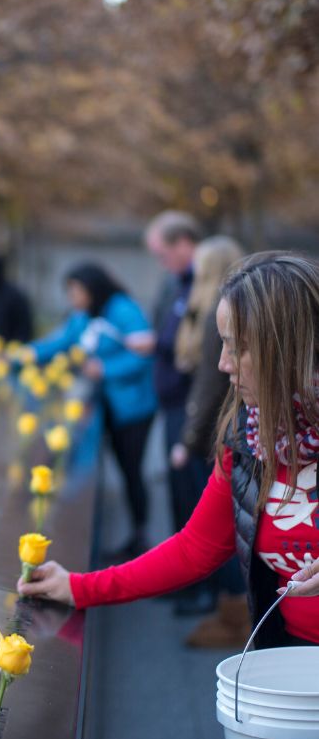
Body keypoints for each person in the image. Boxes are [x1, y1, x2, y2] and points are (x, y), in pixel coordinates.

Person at [18, 252, 319, 649]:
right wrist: (79, 587)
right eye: (222, 344)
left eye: (239, 348)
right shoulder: (249, 438)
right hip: (293, 664)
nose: (222, 364)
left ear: (292, 349)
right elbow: (194, 549)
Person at [30, 263, 157, 556]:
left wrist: (105, 368)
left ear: (92, 289)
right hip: (107, 405)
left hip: (134, 407)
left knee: (131, 469)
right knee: (116, 466)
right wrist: (23, 353)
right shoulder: (83, 316)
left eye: (75, 291)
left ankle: (142, 534)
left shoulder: (123, 310)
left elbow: (144, 356)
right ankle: (133, 536)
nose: (72, 297)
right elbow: (60, 342)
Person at [170, 236, 248, 646]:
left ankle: (235, 614)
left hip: (217, 430)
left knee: (231, 531)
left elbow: (209, 380)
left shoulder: (223, 309)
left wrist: (188, 437)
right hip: (224, 428)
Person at [143, 210, 214, 614]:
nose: (162, 262)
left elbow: (203, 368)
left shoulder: (201, 289)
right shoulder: (176, 284)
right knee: (178, 496)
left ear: (184, 244)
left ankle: (204, 590)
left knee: (195, 501)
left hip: (189, 411)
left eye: (163, 253)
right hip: (174, 405)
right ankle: (183, 580)